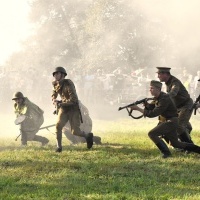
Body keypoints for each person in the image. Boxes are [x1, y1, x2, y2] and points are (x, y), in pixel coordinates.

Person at [130, 80, 200, 158]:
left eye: (152, 88)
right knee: (176, 144)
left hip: (171, 121)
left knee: (152, 134)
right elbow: (152, 107)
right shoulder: (158, 97)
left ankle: (166, 154)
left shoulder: (164, 98)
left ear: (158, 89)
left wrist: (138, 108)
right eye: (150, 88)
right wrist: (146, 105)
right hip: (171, 121)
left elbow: (153, 113)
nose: (150, 90)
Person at [51, 66, 94, 152]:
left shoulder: (68, 83)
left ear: (62, 75)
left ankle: (88, 136)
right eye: (54, 74)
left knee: (75, 131)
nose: (55, 76)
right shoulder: (55, 83)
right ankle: (59, 147)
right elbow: (54, 93)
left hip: (73, 109)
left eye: (57, 74)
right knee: (58, 126)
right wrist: (54, 100)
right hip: (63, 108)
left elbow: (73, 100)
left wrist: (61, 103)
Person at [156, 67, 193, 144]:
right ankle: (183, 142)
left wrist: (164, 97)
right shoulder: (168, 83)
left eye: (159, 74)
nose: (158, 76)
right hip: (178, 108)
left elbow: (173, 93)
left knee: (179, 127)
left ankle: (190, 147)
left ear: (165, 74)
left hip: (185, 106)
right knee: (185, 127)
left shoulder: (175, 82)